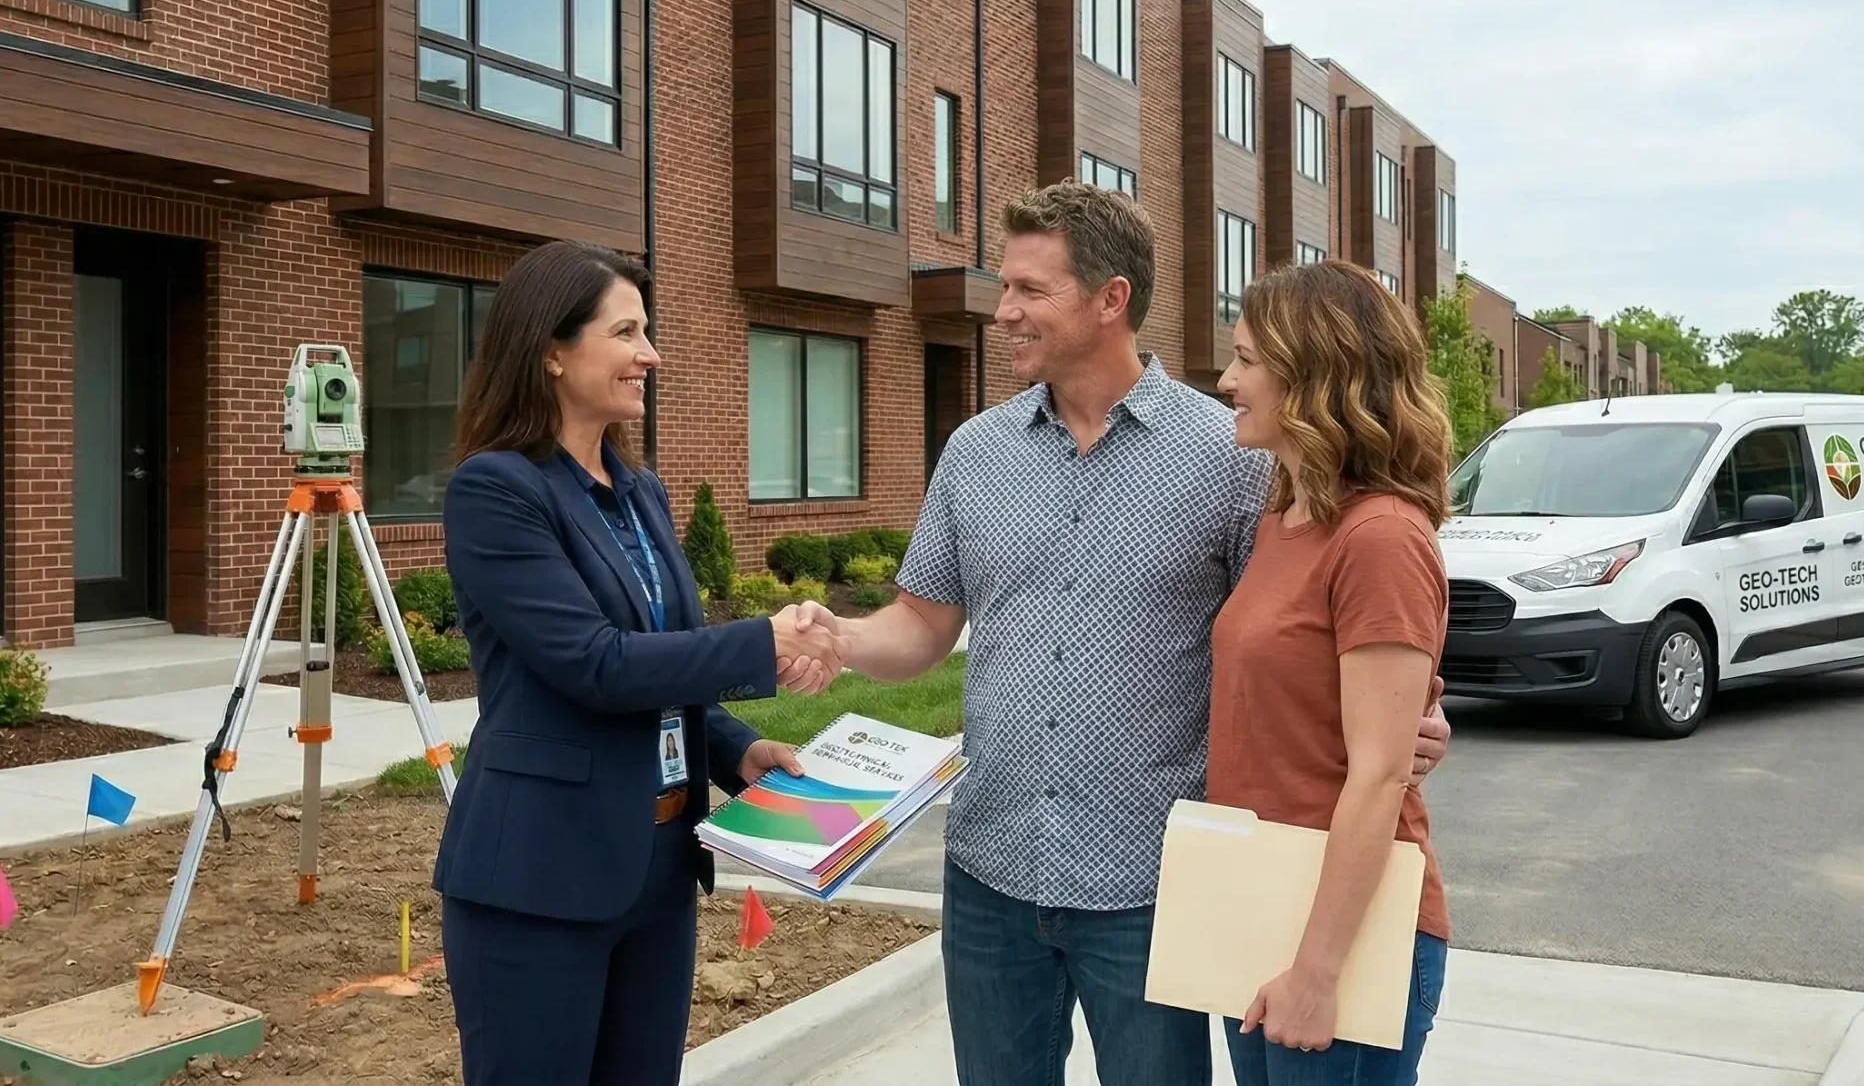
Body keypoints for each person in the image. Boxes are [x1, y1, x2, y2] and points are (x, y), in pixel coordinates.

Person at [793, 181, 1452, 1086]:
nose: (1005, 311)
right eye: (1005, 287)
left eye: (1031, 290)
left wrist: (1403, 724)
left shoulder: (1234, 456)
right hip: (992, 868)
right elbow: (921, 625)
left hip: (1156, 880)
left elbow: (1315, 623)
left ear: (1112, 300)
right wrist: (842, 639)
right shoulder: (974, 454)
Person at [433, 239, 844, 1086]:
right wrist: (765, 642)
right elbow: (596, 663)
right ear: (551, 349)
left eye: (647, 332)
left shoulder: (641, 491)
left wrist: (735, 749)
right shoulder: (496, 491)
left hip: (657, 869)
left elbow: (661, 657)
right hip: (540, 881)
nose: (649, 354)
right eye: (626, 333)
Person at [1210, 258, 1455, 1084]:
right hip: (1264, 905)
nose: (1226, 378)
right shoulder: (1287, 515)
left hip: (1345, 936)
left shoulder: (1380, 536)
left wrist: (1317, 971)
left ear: (1314, 373)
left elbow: (1380, 777)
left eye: (1247, 360)